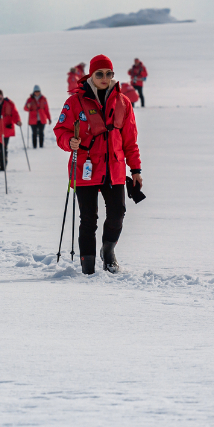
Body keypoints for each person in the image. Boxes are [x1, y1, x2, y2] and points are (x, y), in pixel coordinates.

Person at [54, 55, 142, 275]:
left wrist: (136, 170)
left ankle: (108, 251)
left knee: (117, 214)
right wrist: (69, 141)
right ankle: (88, 266)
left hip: (114, 170)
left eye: (108, 73)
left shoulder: (123, 102)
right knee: (88, 219)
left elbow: (130, 141)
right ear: (91, 76)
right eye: (99, 74)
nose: (104, 77)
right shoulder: (74, 102)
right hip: (85, 168)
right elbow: (60, 131)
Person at [0, 89, 21, 171]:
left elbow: (15, 114)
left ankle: (3, 167)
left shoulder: (9, 104)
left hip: (5, 130)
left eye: (0, 99)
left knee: (3, 149)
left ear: (3, 97)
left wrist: (18, 121)